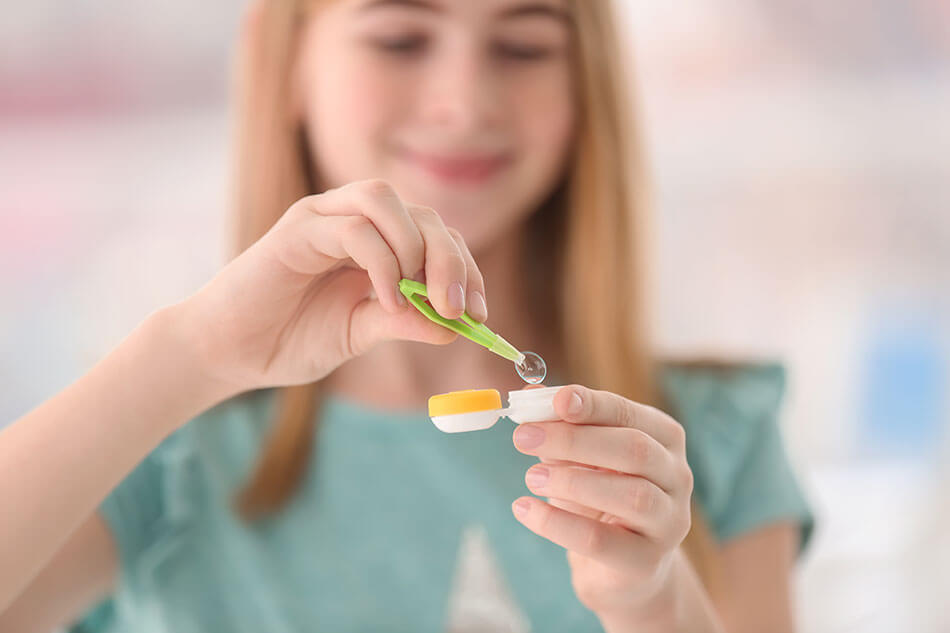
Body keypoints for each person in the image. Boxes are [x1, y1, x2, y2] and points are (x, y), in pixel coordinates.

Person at [0, 1, 813, 631]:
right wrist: (193, 353)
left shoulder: (704, 438)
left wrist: (655, 600)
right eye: (399, 39)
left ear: (587, 80)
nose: (464, 102)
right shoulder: (161, 453)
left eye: (524, 46)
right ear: (282, 63)